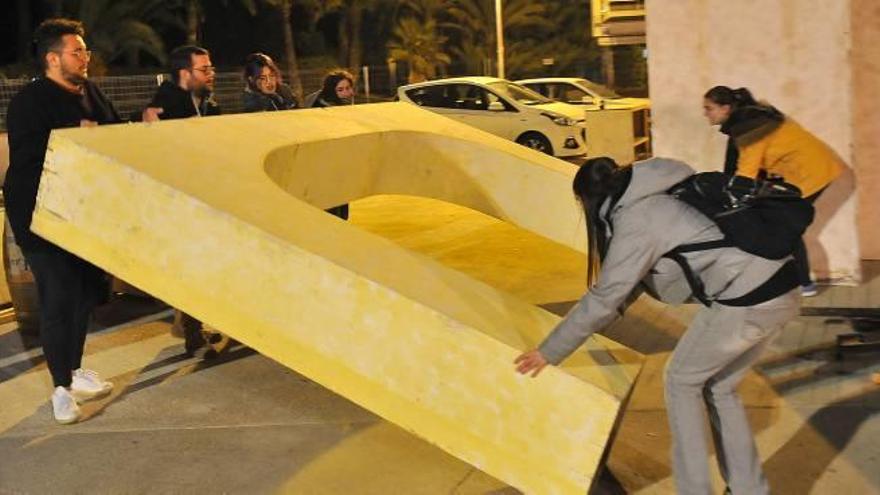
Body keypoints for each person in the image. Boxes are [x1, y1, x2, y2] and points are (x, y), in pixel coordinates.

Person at [515, 157, 801, 495]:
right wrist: (591, 325)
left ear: (587, 200)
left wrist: (549, 351)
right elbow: (629, 284)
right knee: (719, 387)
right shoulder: (657, 191)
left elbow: (607, 294)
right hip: (781, 286)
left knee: (680, 381)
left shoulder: (638, 217)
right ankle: (748, 489)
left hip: (748, 299)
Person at [4, 18, 116, 424]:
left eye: (86, 50)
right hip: (40, 215)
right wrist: (76, 133)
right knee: (58, 300)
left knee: (84, 296)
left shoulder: (92, 93)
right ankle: (60, 388)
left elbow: (114, 132)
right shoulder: (29, 102)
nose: (86, 57)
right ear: (53, 58)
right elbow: (32, 157)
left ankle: (76, 369)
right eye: (77, 51)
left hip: (84, 213)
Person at [703, 86, 844, 296]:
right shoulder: (748, 120)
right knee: (779, 224)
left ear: (726, 108)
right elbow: (736, 165)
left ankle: (804, 283)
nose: (705, 113)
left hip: (812, 174)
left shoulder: (749, 126)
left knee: (786, 227)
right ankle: (795, 280)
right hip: (808, 170)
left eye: (709, 108)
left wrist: (730, 196)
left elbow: (746, 171)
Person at [143, 45, 221, 359]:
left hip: (203, 195)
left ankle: (194, 324)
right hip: (178, 201)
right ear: (184, 74)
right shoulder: (164, 105)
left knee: (203, 265)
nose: (211, 74)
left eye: (211, 68)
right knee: (189, 267)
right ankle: (192, 334)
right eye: (204, 69)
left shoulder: (206, 101)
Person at [305, 68, 356, 219]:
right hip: (324, 166)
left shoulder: (338, 105)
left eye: (348, 88)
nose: (346, 93)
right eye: (340, 90)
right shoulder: (324, 108)